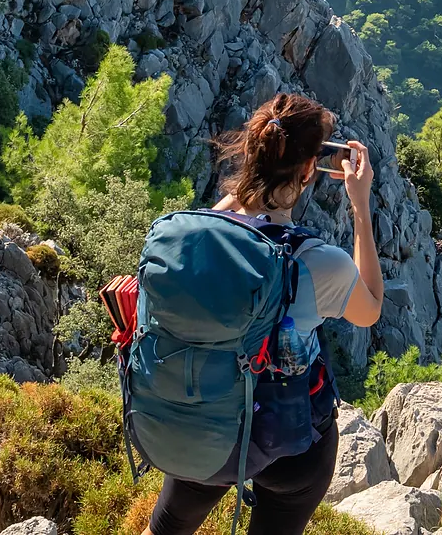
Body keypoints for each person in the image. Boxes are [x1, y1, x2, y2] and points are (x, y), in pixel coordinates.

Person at [142, 93, 384, 535]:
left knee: (166, 529)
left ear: (250, 154)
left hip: (205, 421)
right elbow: (370, 307)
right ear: (311, 170)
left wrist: (249, 185)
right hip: (287, 442)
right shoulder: (318, 262)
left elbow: (223, 222)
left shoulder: (191, 241)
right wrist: (360, 206)